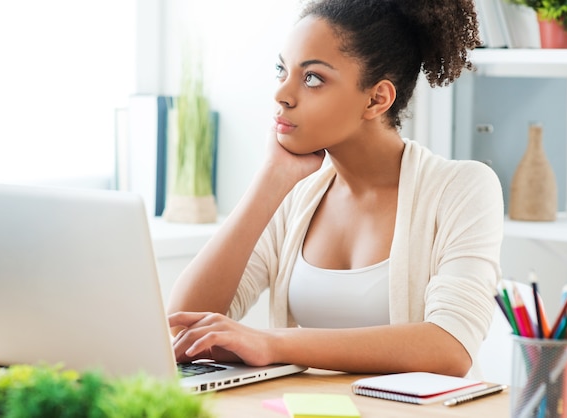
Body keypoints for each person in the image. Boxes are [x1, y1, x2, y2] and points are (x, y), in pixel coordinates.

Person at [167, 0, 503, 379]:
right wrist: (270, 179)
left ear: (377, 99)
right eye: (282, 70)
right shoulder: (295, 195)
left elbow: (450, 347)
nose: (282, 94)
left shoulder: (462, 189)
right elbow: (182, 327)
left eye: (312, 78)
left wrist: (271, 343)